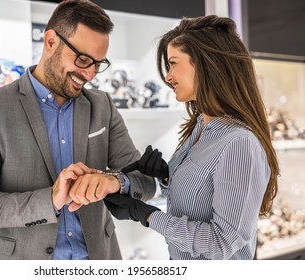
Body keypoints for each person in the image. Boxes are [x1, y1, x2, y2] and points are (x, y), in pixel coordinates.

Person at [0, 0, 156, 260]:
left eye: (98, 63)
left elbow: (145, 182)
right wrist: (49, 200)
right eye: (83, 59)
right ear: (50, 42)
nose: (90, 74)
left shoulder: (102, 105)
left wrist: (113, 181)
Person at [104, 15, 280, 260]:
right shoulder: (199, 128)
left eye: (173, 63)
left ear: (207, 64)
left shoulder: (239, 143)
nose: (168, 77)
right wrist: (167, 177)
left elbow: (221, 243)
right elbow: (199, 201)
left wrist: (147, 215)